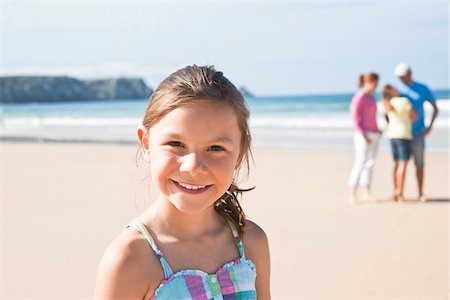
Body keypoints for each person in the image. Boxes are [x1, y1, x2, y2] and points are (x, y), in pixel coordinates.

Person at [94, 65, 271, 299]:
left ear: (240, 152)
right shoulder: (130, 259)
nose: (194, 167)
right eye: (176, 144)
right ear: (146, 144)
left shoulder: (250, 243)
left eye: (216, 148)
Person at [394, 63, 439, 202]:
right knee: (400, 163)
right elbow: (388, 107)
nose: (401, 80)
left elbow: (435, 108)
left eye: (403, 77)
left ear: (409, 74)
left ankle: (420, 192)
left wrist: (429, 127)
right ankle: (398, 193)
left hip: (418, 132)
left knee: (419, 164)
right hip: (401, 133)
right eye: (399, 78)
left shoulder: (422, 88)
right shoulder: (397, 89)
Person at [348, 72, 381, 204]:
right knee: (360, 162)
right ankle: (352, 194)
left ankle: (367, 192)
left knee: (370, 163)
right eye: (374, 83)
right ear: (367, 82)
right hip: (363, 135)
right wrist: (363, 133)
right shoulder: (359, 97)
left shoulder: (372, 98)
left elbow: (372, 116)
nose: (375, 86)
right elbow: (355, 117)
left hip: (374, 133)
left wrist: (377, 129)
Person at [381, 85, 417, 202]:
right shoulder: (403, 101)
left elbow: (387, 119)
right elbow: (413, 116)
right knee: (402, 164)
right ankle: (400, 193)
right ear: (393, 91)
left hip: (392, 135)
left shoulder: (387, 103)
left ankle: (395, 190)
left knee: (396, 164)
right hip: (403, 135)